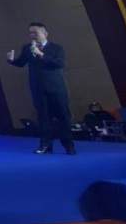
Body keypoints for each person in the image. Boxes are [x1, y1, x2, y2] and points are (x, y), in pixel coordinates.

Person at [7, 23, 76, 155]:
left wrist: (41, 55)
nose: (32, 35)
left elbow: (60, 63)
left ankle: (69, 146)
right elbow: (21, 63)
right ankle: (45, 145)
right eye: (30, 33)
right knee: (43, 117)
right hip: (38, 88)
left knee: (63, 117)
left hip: (56, 89)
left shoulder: (56, 48)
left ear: (45, 33)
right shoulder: (27, 48)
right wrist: (11, 60)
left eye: (35, 32)